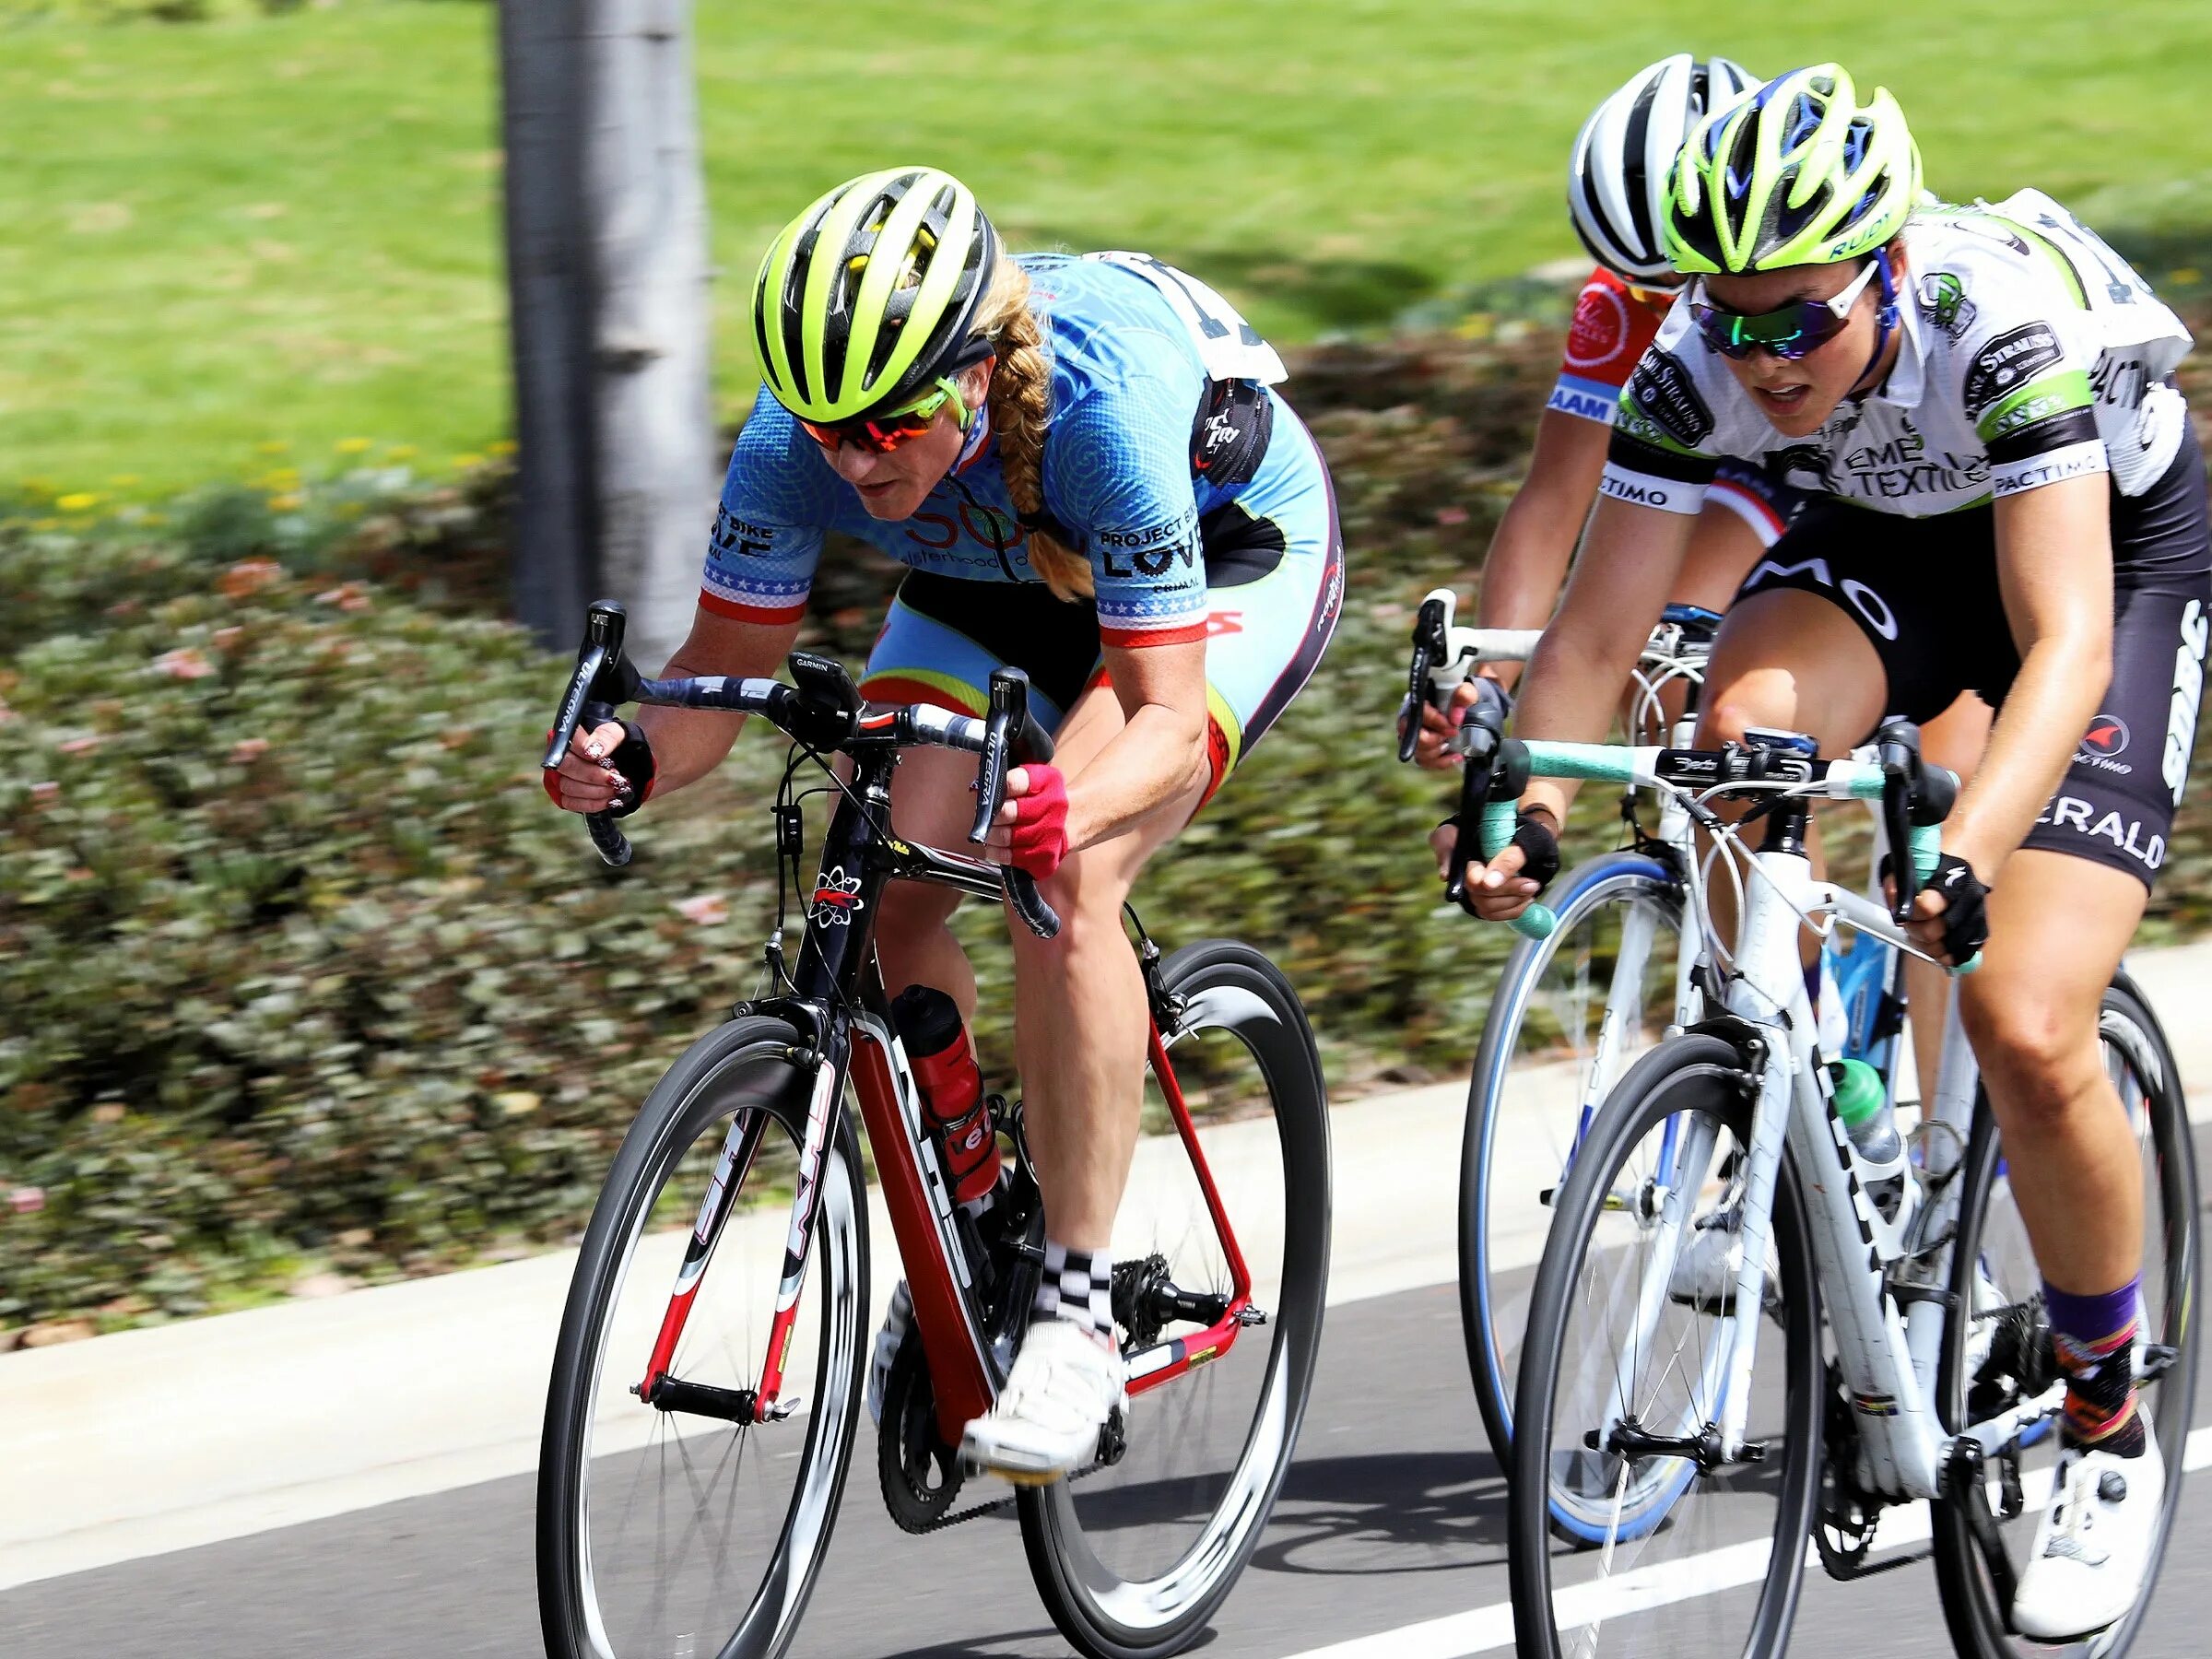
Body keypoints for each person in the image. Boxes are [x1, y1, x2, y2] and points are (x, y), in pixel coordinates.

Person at [1455, 65, 2206, 1639]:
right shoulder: (1699, 358)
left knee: (2021, 1012)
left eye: (1798, 320)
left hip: (2111, 560)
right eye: (1733, 320)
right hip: (1893, 530)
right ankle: (1792, 1088)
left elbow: (2060, 644)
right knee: (1736, 734)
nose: (1761, 357)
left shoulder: (1989, 323)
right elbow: (1595, 633)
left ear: (1881, 271)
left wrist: (1968, 853)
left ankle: (2107, 1414)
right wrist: (1525, 811)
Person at [545, 167, 1344, 1480]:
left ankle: (1077, 1324)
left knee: (1065, 873)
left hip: (1229, 551)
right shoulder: (794, 442)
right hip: (996, 579)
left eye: (889, 425)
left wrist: (1062, 804)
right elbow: (726, 665)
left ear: (975, 375)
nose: (855, 462)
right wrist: (629, 754)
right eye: (829, 430)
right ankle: (975, 1211)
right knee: (888, 899)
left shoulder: (1097, 417)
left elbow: (1155, 711)